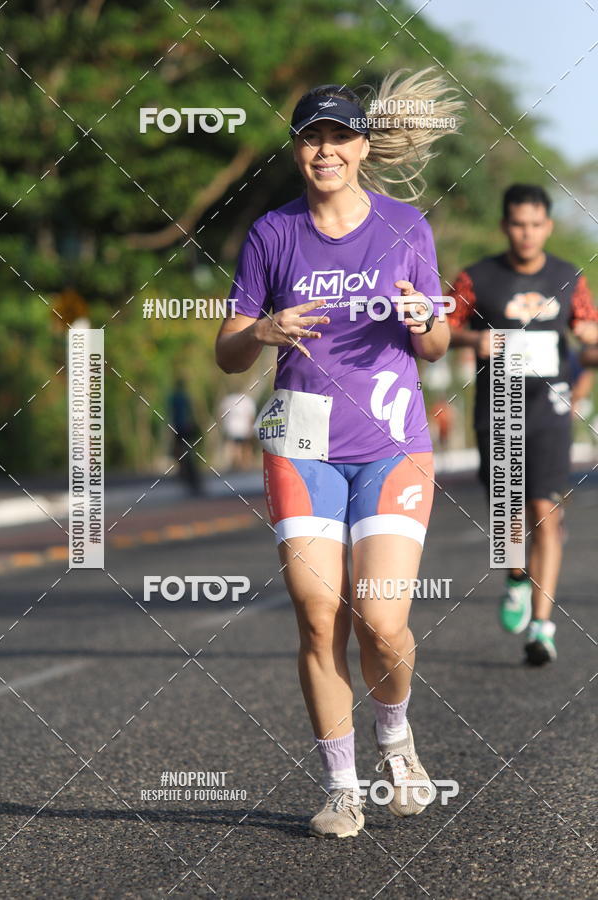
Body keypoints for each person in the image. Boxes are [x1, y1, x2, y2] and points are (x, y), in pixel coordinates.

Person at [216, 71, 460, 838]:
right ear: (299, 151)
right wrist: (262, 330)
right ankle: (341, 787)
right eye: (310, 137)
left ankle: (397, 741)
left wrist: (425, 319)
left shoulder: (404, 227)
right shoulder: (272, 233)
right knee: (319, 614)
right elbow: (227, 349)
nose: (323, 149)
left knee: (381, 620)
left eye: (337, 137)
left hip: (390, 443)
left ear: (360, 148)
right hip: (302, 444)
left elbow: (437, 342)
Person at [448, 184, 598, 666]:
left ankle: (542, 625)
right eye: (518, 224)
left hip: (550, 406)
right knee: (508, 514)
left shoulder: (568, 277)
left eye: (536, 224)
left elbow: (586, 331)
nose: (527, 233)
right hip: (499, 405)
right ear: (504, 226)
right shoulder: (476, 278)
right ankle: (515, 575)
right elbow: (439, 331)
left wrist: (590, 362)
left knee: (545, 510)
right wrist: (477, 340)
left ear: (548, 227)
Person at [168, 378, 203, 494]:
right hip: (186, 426)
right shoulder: (184, 397)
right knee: (188, 451)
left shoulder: (175, 398)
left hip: (179, 427)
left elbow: (171, 413)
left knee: (180, 451)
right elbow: (190, 412)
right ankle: (186, 473)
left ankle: (184, 472)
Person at [218, 392, 256, 470]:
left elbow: (221, 414)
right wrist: (251, 428)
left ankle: (236, 464)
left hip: (231, 427)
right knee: (245, 446)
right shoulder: (247, 400)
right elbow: (251, 416)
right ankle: (245, 464)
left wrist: (222, 426)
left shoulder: (228, 399)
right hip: (243, 427)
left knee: (234, 446)